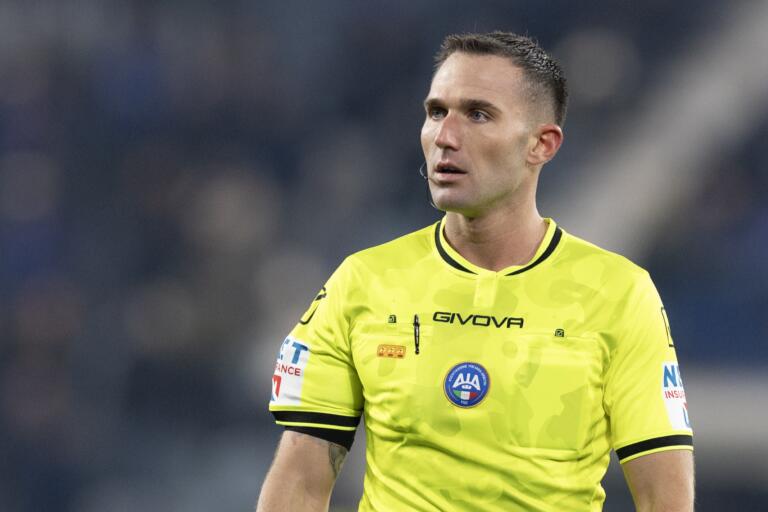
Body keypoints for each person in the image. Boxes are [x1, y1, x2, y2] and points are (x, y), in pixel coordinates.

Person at [257, 31, 694, 511]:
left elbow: (663, 497)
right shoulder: (362, 281)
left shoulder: (618, 294)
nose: (445, 137)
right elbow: (300, 482)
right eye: (436, 112)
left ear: (542, 144)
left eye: (478, 114)